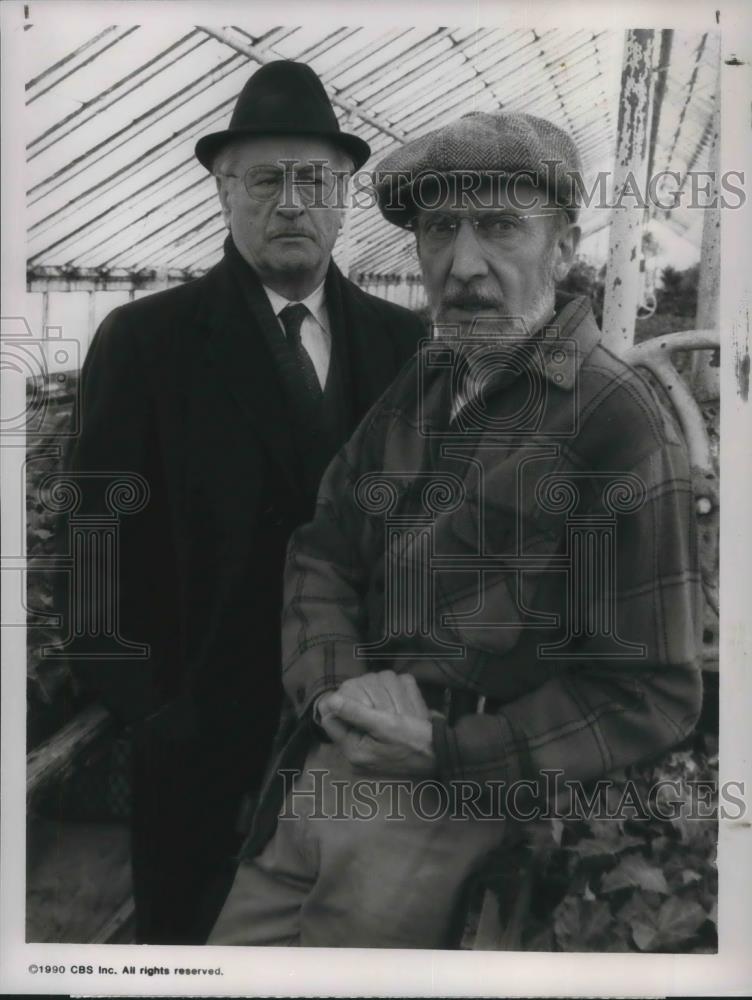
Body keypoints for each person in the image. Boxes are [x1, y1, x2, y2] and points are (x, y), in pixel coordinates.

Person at [208, 111, 703, 949]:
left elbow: (650, 692)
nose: (463, 265)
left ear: (564, 245)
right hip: (324, 764)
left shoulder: (612, 418)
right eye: (440, 229)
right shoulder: (430, 379)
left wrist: (448, 753)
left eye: (501, 227)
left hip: (450, 802)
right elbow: (322, 547)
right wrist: (335, 681)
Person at [58, 60, 423, 944]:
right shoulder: (148, 340)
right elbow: (96, 543)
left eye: (316, 180)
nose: (292, 202)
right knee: (192, 939)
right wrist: (151, 711)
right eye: (266, 179)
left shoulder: (405, 343)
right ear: (224, 192)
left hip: (359, 736)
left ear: (345, 196)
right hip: (201, 743)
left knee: (344, 943)